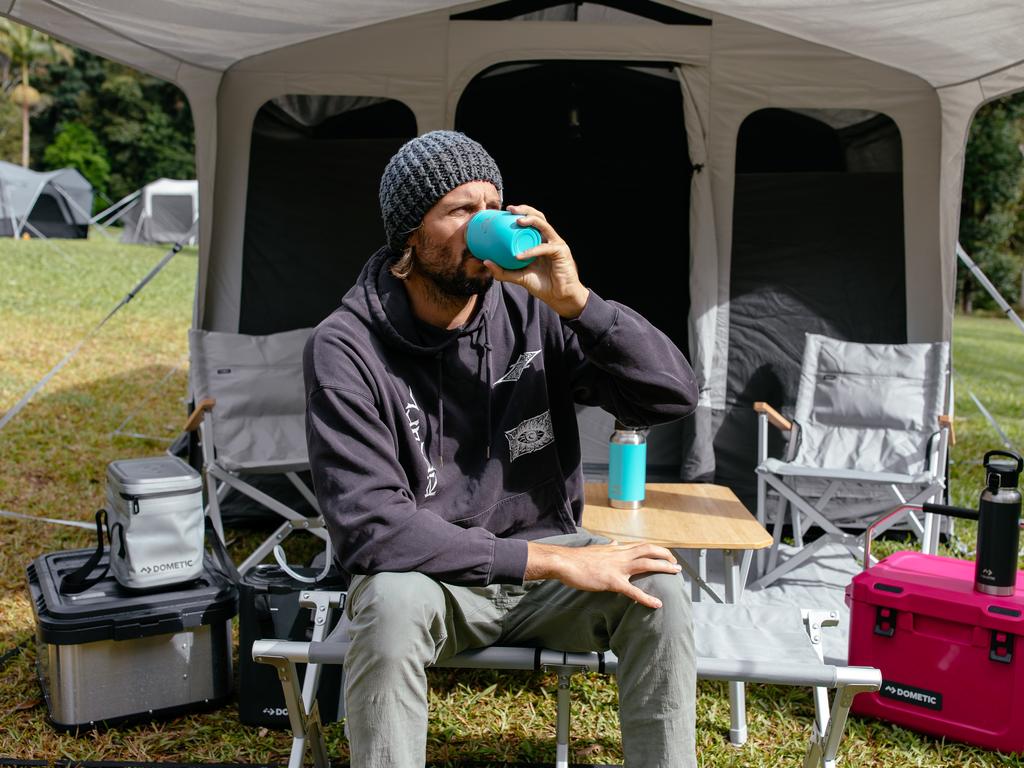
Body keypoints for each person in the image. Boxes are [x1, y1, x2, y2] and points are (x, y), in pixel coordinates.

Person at [304, 130, 699, 767]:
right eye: (460, 209)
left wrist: (579, 305)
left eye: (493, 205)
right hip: (434, 578)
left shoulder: (533, 310)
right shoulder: (346, 347)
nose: (484, 221)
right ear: (410, 237)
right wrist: (546, 559)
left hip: (546, 565)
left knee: (660, 588)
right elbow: (371, 531)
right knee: (388, 604)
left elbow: (672, 397)